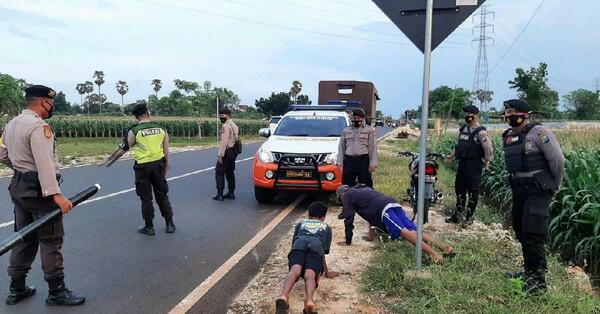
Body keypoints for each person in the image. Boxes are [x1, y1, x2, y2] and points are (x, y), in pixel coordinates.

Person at [0, 85, 85, 306]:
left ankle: (17, 287)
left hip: (19, 187)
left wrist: (19, 168)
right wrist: (56, 195)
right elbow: (45, 164)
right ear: (42, 102)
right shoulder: (39, 127)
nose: (52, 107)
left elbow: (2, 153)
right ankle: (57, 291)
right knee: (51, 240)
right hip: (40, 192)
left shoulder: (11, 125)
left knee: (24, 237)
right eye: (51, 103)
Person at [502, 99, 565, 294]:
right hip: (520, 189)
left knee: (533, 232)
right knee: (520, 230)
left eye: (511, 111)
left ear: (524, 114)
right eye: (506, 112)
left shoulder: (540, 133)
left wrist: (554, 187)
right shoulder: (509, 135)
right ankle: (529, 272)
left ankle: (538, 281)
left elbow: (558, 160)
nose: (507, 115)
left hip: (538, 189)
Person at [102, 102, 175, 235]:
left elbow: (123, 149)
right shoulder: (161, 129)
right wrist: (167, 165)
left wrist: (110, 161)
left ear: (136, 117)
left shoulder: (134, 130)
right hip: (158, 165)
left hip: (143, 168)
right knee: (162, 195)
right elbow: (166, 149)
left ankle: (149, 227)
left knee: (146, 198)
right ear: (147, 113)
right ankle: (170, 224)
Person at [336, 185, 453, 263]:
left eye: (341, 201)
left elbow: (348, 219)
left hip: (382, 209)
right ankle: (445, 247)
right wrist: (371, 236)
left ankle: (434, 255)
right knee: (414, 230)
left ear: (341, 195)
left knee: (403, 232)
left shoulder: (347, 195)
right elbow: (370, 218)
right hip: (392, 203)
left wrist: (348, 241)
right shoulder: (361, 190)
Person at [276, 202, 338, 314]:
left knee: (294, 270)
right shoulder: (326, 227)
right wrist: (327, 273)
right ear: (323, 217)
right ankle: (309, 301)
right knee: (310, 275)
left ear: (308, 215)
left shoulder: (301, 223)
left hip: (299, 245)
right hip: (316, 247)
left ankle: (284, 296)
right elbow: (323, 253)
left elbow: (294, 242)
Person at [446, 105, 493, 226]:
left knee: (473, 191)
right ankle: (458, 215)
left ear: (475, 116)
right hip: (462, 164)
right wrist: (452, 156)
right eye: (465, 115)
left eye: (469, 115)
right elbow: (459, 146)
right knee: (459, 189)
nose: (466, 117)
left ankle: (469, 217)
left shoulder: (480, 132)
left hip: (474, 165)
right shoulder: (463, 129)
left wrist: (487, 161)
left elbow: (488, 148)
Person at [337, 108, 378, 187]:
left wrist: (373, 163)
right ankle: (349, 199)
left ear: (362, 119)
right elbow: (341, 147)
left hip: (363, 161)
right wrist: (339, 163)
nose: (356, 120)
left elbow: (372, 147)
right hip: (349, 161)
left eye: (358, 118)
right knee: (346, 184)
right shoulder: (346, 130)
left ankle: (366, 199)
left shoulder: (369, 130)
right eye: (354, 118)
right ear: (352, 118)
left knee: (365, 184)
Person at [212, 108, 239, 201]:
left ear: (227, 116)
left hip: (226, 152)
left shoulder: (226, 126)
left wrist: (220, 154)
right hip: (233, 152)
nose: (220, 118)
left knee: (219, 172)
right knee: (230, 172)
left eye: (222, 116)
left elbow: (224, 141)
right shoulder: (234, 125)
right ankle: (231, 193)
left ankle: (220, 194)